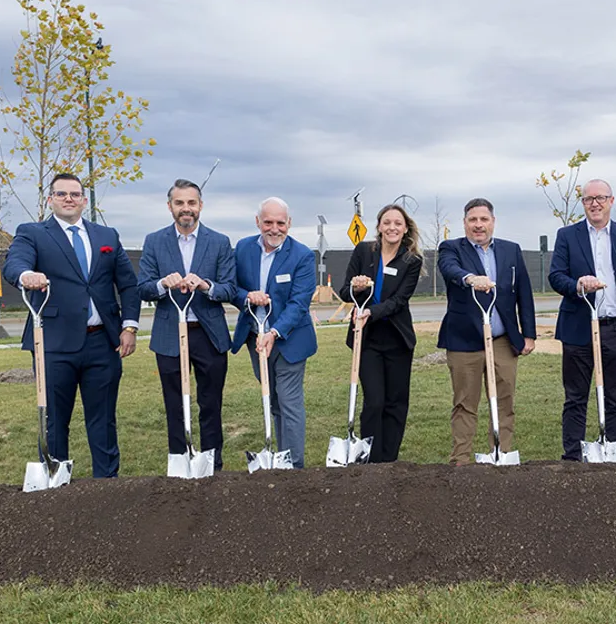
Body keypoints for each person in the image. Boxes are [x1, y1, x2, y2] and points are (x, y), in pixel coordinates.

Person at [2, 172, 140, 477]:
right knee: (54, 420)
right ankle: (56, 483)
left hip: (103, 343)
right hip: (53, 344)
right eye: (61, 194)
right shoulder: (33, 233)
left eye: (75, 194)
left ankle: (106, 486)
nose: (69, 199)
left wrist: (129, 326)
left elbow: (128, 285)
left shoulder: (107, 236)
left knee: (103, 420)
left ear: (83, 200)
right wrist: (26, 276)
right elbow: (14, 263)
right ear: (50, 199)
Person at [137, 179, 236, 470]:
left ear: (200, 206)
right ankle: (181, 463)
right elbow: (142, 287)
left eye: (191, 203)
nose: (186, 209)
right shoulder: (155, 241)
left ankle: (212, 464)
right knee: (175, 404)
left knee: (210, 403)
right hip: (169, 335)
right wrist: (160, 285)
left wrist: (206, 286)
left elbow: (230, 288)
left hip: (208, 335)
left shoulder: (219, 242)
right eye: (179, 203)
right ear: (170, 207)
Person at [548, 179, 616, 461]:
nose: (595, 203)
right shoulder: (567, 235)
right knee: (576, 396)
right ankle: (573, 456)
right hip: (578, 327)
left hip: (615, 327)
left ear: (611, 201)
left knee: (614, 396)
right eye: (589, 199)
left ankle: (613, 451)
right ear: (583, 203)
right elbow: (556, 276)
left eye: (601, 198)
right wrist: (578, 285)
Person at [437, 197, 537, 465]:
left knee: (504, 401)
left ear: (493, 222)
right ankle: (460, 461)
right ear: (465, 223)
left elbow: (524, 293)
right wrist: (470, 279)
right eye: (473, 220)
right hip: (464, 341)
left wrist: (529, 333)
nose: (478, 225)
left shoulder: (511, 250)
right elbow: (450, 270)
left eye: (484, 219)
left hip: (503, 340)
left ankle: (500, 456)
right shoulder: (451, 248)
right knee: (465, 404)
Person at [231, 197, 317, 468]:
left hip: (289, 340)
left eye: (280, 223)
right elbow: (232, 289)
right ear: (258, 222)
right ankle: (279, 458)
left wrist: (275, 332)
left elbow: (299, 303)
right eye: (268, 222)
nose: (274, 228)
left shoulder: (302, 255)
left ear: (289, 223)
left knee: (289, 402)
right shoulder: (243, 249)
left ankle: (293, 467)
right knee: (274, 401)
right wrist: (248, 297)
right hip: (255, 339)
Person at [338, 203, 424, 463]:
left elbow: (399, 300)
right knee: (374, 401)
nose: (392, 228)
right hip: (367, 340)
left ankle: (389, 461)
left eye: (397, 223)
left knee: (395, 403)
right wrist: (358, 287)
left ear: (405, 227)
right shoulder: (364, 251)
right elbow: (345, 293)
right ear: (379, 227)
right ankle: (370, 458)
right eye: (387, 222)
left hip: (397, 339)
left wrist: (370, 313)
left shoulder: (411, 260)